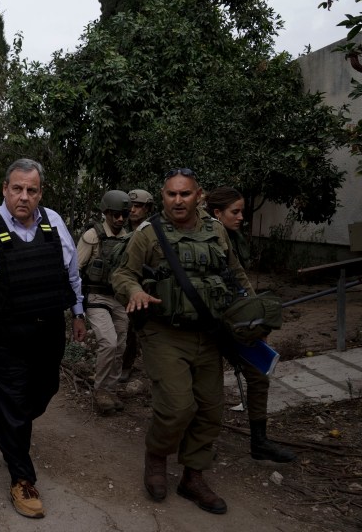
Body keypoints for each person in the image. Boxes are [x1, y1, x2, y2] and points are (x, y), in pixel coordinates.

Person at [112, 168, 253, 515]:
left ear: (199, 195)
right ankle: (157, 457)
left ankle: (193, 476)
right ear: (163, 196)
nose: (178, 200)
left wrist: (252, 309)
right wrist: (134, 291)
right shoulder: (148, 234)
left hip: (209, 333)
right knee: (177, 406)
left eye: (185, 194)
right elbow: (122, 273)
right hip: (164, 333)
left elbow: (234, 274)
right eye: (171, 194)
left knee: (209, 410)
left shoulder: (216, 230)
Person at [0, 158, 86, 519]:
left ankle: (13, 431)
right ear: (5, 189)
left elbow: (70, 274)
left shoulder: (54, 222)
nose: (24, 196)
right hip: (3, 336)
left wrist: (78, 313)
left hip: (47, 334)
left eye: (31, 190)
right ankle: (21, 477)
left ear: (40, 192)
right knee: (10, 402)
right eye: (17, 188)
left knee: (40, 395)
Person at [205, 186, 296, 463]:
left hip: (236, 320)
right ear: (217, 213)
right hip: (211, 321)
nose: (241, 216)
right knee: (207, 386)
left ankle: (259, 442)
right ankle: (200, 444)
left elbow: (239, 277)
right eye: (236, 211)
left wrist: (257, 317)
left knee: (258, 375)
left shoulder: (232, 240)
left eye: (241, 210)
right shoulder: (206, 238)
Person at [76, 190, 132, 414]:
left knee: (120, 344)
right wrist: (76, 309)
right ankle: (100, 390)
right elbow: (75, 270)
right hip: (96, 297)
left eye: (123, 215)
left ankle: (111, 389)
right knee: (108, 342)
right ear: (106, 213)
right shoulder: (93, 236)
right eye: (115, 215)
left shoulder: (127, 238)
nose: (119, 219)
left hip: (118, 298)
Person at [120, 188, 155, 381]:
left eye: (138, 206)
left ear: (147, 208)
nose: (133, 210)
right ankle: (123, 365)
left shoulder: (153, 231)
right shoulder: (120, 228)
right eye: (130, 206)